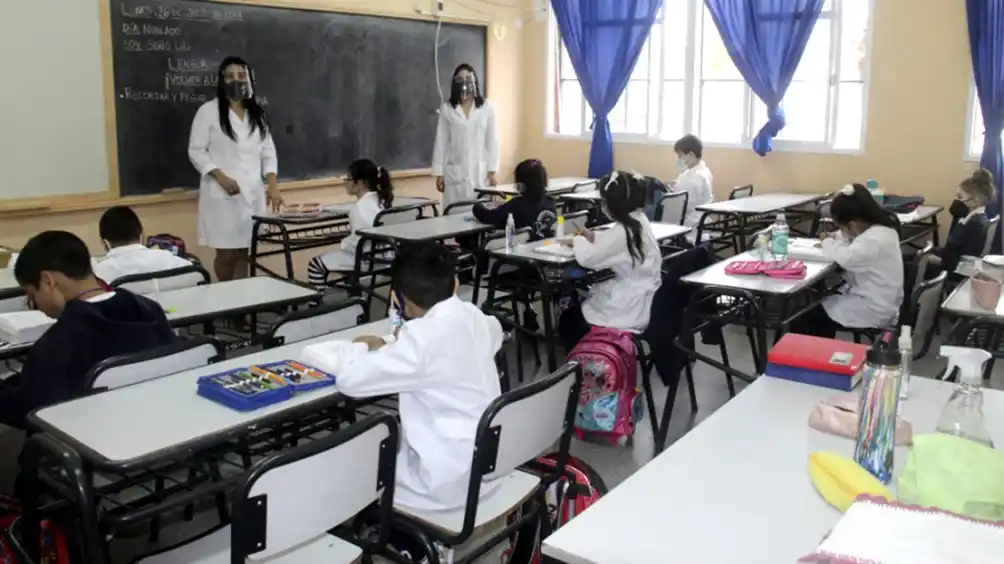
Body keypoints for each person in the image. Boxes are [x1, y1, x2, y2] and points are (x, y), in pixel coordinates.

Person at [302, 242, 503, 513]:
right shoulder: (473, 316)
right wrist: (403, 342)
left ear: (401, 302)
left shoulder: (422, 341)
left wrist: (360, 345)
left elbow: (351, 381)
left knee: (348, 473)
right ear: (455, 284)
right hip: (490, 466)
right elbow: (494, 333)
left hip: (446, 482)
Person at [0, 231, 176, 430]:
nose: (34, 304)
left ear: (48, 280)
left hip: (91, 444)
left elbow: (30, 410)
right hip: (157, 425)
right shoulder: (150, 310)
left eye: (32, 295)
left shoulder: (59, 342)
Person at [189, 56, 283, 283]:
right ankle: (225, 296)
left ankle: (243, 304)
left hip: (252, 194)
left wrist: (272, 186)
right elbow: (196, 150)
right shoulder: (208, 112)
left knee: (245, 251)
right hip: (223, 196)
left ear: (249, 80)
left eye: (241, 76)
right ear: (222, 80)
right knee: (226, 253)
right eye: (230, 76)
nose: (236, 80)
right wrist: (220, 176)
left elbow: (268, 151)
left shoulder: (257, 114)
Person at [557, 171, 663, 350]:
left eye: (604, 202)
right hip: (645, 294)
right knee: (591, 298)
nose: (603, 206)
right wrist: (593, 236)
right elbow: (613, 241)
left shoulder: (624, 231)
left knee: (569, 321)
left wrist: (578, 240)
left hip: (630, 304)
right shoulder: (638, 220)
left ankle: (584, 360)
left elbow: (588, 258)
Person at [793, 184, 903, 338]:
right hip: (880, 299)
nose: (841, 231)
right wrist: (836, 237)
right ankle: (819, 354)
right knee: (815, 311)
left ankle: (814, 357)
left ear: (853, 224)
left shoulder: (872, 240)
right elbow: (846, 237)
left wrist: (827, 242)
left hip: (873, 308)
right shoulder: (883, 227)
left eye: (841, 226)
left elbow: (846, 257)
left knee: (807, 318)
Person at [307, 159, 394, 288]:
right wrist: (326, 208)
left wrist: (343, 243)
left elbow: (355, 244)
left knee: (315, 264)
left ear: (360, 183)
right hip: (385, 259)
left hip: (364, 260)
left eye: (348, 178)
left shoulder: (359, 208)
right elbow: (352, 208)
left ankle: (317, 304)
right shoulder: (380, 200)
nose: (345, 182)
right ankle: (352, 293)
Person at [432, 63, 500, 208]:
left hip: (481, 175)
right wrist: (439, 173)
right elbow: (441, 142)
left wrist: (492, 171)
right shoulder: (447, 110)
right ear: (454, 83)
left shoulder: (487, 108)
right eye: (460, 78)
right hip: (455, 177)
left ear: (475, 81)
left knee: (480, 216)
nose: (465, 82)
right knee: (455, 217)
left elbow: (492, 141)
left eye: (469, 78)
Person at [93, 205, 192, 288]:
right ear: (141, 235)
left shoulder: (100, 273)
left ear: (105, 243)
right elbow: (199, 275)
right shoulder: (164, 258)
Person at [923, 169, 994, 273]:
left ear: (975, 200)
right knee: (916, 255)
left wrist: (933, 260)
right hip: (951, 260)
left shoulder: (974, 224)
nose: (957, 200)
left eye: (960, 197)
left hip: (953, 270)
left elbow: (957, 262)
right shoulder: (976, 219)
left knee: (910, 264)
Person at [472, 158, 557, 241]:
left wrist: (477, 205)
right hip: (544, 247)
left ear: (520, 186)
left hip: (520, 250)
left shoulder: (516, 205)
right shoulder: (551, 202)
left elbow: (489, 217)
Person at [672, 134, 714, 231]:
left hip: (690, 228)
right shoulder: (704, 171)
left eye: (680, 156)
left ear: (691, 154)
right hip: (701, 223)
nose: (678, 159)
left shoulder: (693, 178)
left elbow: (681, 207)